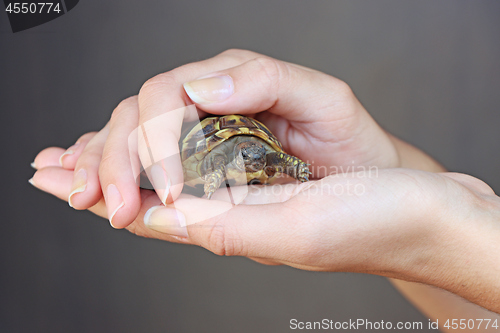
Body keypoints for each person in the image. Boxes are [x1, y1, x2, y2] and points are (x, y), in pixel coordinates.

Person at [30, 49, 500, 328]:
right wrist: (390, 172)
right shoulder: (210, 158)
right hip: (218, 153)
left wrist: (449, 227)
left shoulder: (260, 159)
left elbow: (265, 160)